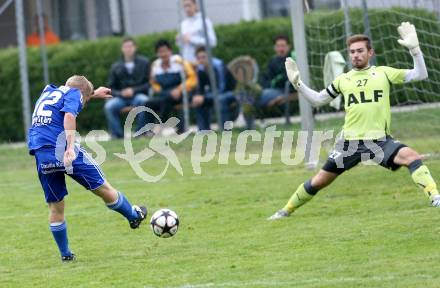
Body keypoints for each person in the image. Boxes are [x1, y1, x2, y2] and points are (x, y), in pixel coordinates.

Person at [268, 22, 439, 220]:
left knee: (411, 157)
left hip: (379, 141)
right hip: (349, 144)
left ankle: (435, 197)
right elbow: (317, 100)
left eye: (360, 51)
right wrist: (298, 84)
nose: (355, 55)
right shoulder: (343, 79)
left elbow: (421, 74)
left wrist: (415, 51)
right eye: (352, 52)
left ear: (370, 53)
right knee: (319, 181)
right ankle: (285, 211)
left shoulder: (383, 73)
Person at [28, 75, 147, 261]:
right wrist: (69, 147)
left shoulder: (49, 91)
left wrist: (91, 94)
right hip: (62, 148)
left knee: (56, 206)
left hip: (41, 153)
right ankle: (133, 216)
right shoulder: (75, 94)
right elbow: (69, 114)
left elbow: (71, 99)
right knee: (103, 188)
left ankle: (66, 254)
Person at [148, 39, 197, 133]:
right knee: (147, 103)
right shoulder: (155, 65)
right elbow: (153, 83)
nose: (163, 54)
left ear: (170, 51)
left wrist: (179, 90)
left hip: (183, 93)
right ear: (157, 54)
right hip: (165, 94)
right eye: (160, 52)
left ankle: (159, 126)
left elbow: (192, 78)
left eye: (165, 51)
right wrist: (158, 90)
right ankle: (145, 131)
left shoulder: (179, 61)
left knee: (167, 98)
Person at [105, 37, 150, 139]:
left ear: (135, 48)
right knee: (109, 106)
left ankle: (140, 132)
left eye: (130, 46)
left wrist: (134, 90)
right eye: (126, 47)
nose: (128, 49)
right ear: (122, 49)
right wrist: (121, 93)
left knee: (145, 100)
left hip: (138, 95)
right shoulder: (115, 66)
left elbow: (149, 84)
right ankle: (118, 135)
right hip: (121, 98)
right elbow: (110, 87)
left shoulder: (144, 62)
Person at [192, 46, 237, 130]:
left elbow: (222, 88)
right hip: (214, 94)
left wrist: (205, 97)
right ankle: (204, 132)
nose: (201, 60)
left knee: (220, 99)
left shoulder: (219, 65)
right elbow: (200, 88)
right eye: (198, 58)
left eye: (204, 57)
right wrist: (198, 96)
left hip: (230, 92)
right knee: (198, 102)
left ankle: (226, 130)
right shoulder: (200, 69)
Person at [259, 35, 296, 109]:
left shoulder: (292, 59)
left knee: (259, 96)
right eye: (278, 46)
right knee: (250, 94)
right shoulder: (273, 61)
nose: (281, 49)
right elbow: (266, 76)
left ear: (288, 47)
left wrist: (272, 83)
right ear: (274, 47)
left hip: (286, 91)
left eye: (283, 46)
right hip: (271, 90)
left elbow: (286, 78)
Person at [177, 0, 217, 64]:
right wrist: (179, 40)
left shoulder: (204, 21)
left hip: (202, 64)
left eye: (189, 5)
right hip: (187, 63)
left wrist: (191, 39)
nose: (187, 9)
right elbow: (182, 46)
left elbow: (212, 42)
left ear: (195, 5)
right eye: (185, 6)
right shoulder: (183, 24)